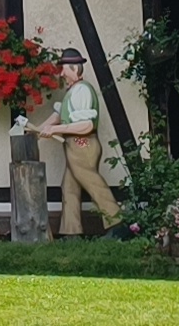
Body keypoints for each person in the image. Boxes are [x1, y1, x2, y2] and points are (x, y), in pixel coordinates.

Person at [30, 48, 120, 237]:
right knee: (69, 188)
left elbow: (85, 125)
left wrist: (54, 130)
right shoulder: (73, 92)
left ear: (74, 69)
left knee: (92, 183)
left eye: (64, 69)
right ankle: (71, 232)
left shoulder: (82, 91)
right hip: (74, 147)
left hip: (83, 145)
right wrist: (35, 130)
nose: (61, 73)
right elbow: (58, 115)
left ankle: (118, 224)